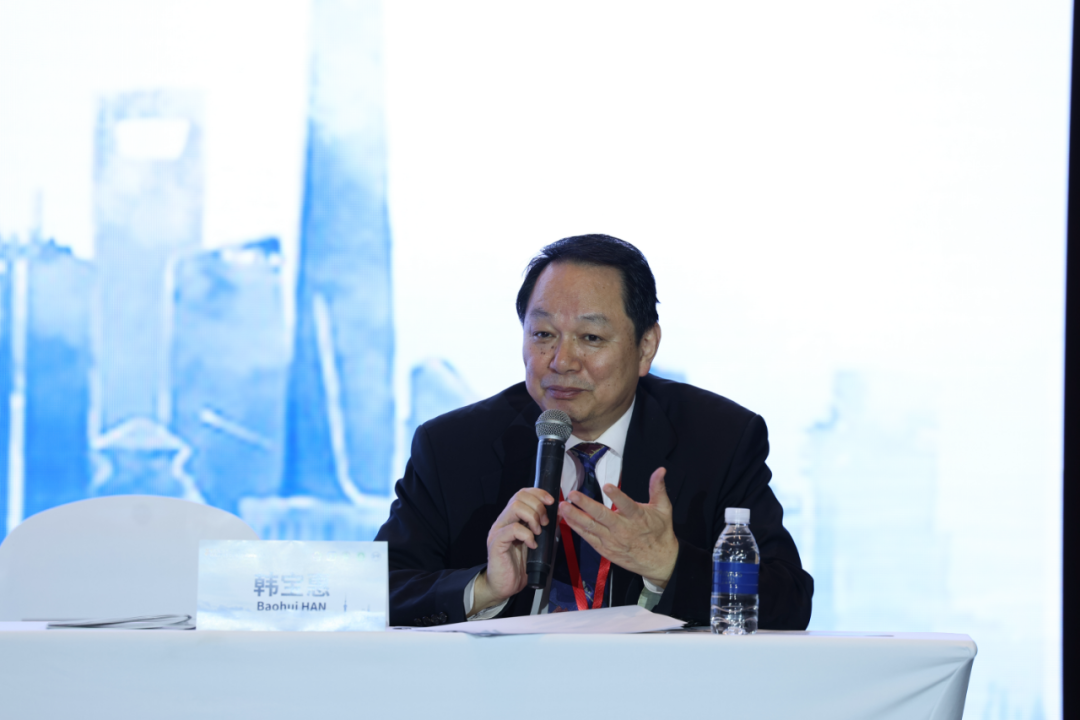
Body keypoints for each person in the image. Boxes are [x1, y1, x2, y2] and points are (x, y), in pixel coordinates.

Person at [376, 234, 813, 627]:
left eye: (591, 338)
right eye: (543, 334)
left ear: (646, 347)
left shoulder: (719, 439)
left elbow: (789, 599)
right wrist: (485, 586)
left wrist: (668, 563)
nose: (561, 361)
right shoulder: (453, 447)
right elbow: (378, 592)